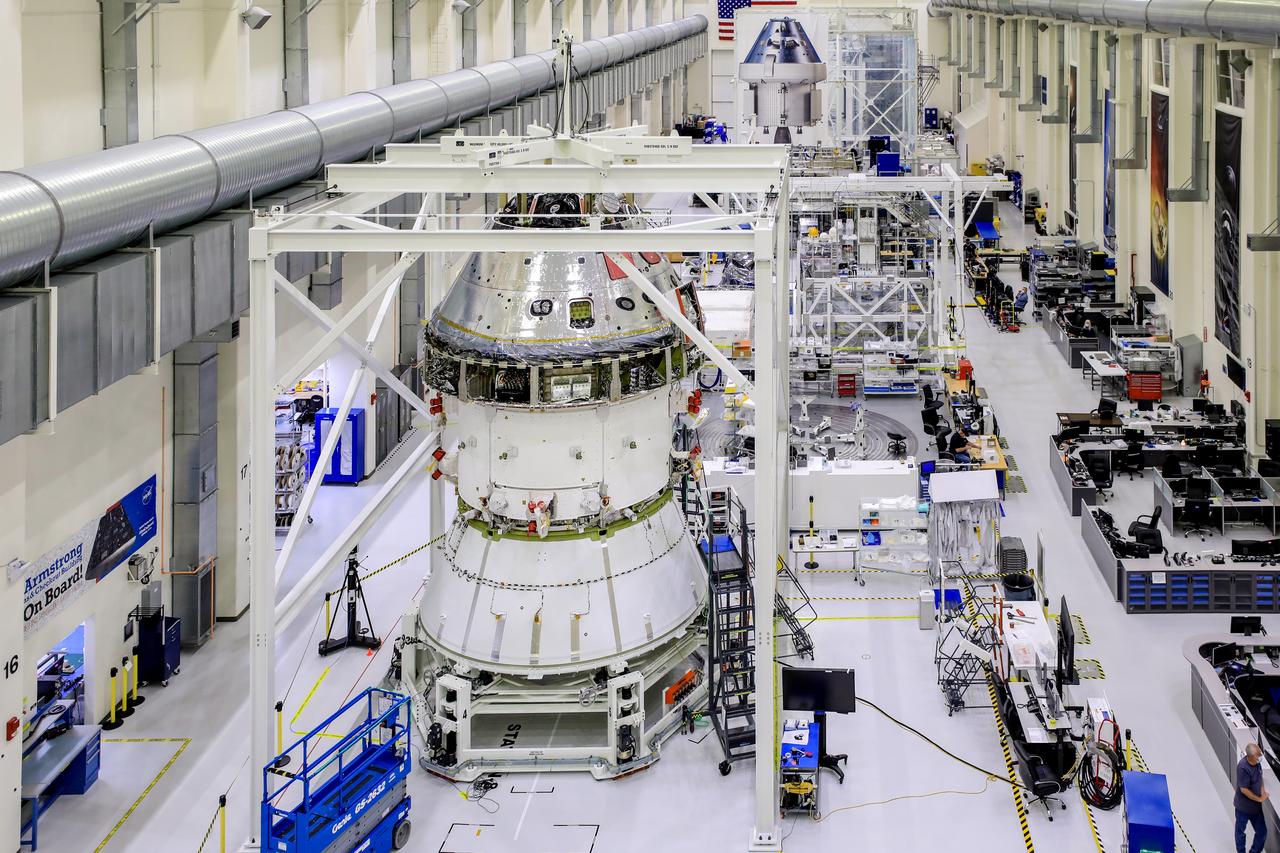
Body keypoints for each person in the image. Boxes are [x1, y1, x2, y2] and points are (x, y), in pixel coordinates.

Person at [1236, 742, 1269, 853]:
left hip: (1256, 808)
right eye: (1258, 755)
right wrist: (1259, 799)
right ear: (1250, 757)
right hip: (1243, 808)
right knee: (1240, 832)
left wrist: (1262, 791)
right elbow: (1244, 790)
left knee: (1262, 832)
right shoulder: (1243, 767)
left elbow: (1260, 777)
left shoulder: (1257, 763)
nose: (1260, 757)